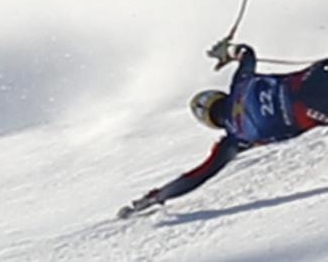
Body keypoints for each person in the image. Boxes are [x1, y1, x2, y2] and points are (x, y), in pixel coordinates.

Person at [118, 42, 328, 218]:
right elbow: (247, 53)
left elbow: (199, 175)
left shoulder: (235, 139)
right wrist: (227, 52)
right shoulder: (240, 83)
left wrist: (157, 196)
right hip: (313, 78)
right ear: (217, 96)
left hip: (312, 111)